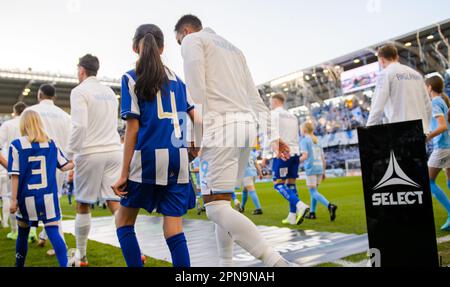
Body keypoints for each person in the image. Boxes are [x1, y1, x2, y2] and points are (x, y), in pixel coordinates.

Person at [176, 14, 294, 267]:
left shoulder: (192, 41)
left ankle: (275, 262)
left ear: (185, 31)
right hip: (244, 128)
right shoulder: (235, 49)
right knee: (223, 204)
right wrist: (273, 136)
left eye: (178, 41)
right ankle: (225, 265)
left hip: (220, 127)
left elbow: (195, 92)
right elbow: (254, 97)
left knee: (215, 208)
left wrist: (193, 139)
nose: (180, 47)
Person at [112, 24, 196, 267]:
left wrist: (123, 173)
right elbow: (197, 119)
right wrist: (196, 147)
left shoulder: (130, 77)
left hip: (147, 158)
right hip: (178, 158)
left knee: (124, 222)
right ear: (162, 48)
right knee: (173, 228)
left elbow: (133, 128)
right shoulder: (179, 82)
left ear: (134, 47)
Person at [67, 54, 123, 267]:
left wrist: (70, 155)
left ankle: (81, 256)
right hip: (113, 150)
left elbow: (80, 126)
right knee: (114, 202)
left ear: (81, 70)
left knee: (83, 205)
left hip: (91, 152)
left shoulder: (79, 91)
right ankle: (133, 249)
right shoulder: (109, 92)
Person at [8, 110, 74, 267]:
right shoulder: (51, 143)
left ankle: (19, 265)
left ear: (23, 124)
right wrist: (76, 160)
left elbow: (15, 176)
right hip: (48, 198)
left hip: (26, 198)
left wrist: (13, 200)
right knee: (53, 232)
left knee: (22, 234)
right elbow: (65, 166)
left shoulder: (16, 145)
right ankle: (64, 264)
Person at [26, 84, 71, 251]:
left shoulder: (30, 111)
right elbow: (69, 143)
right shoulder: (65, 116)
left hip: (35, 163)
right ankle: (44, 235)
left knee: (43, 204)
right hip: (59, 163)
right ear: (55, 97)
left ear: (39, 95)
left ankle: (61, 245)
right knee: (53, 201)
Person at [262, 94, 309, 225]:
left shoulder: (273, 114)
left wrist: (265, 155)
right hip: (295, 153)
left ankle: (300, 205)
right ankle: (292, 215)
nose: (270, 105)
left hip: (282, 154)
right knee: (291, 184)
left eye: (271, 102)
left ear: (275, 101)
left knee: (278, 184)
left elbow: (269, 135)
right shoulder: (293, 116)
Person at [367, 44, 431, 132]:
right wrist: (426, 127)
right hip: (420, 129)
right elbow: (427, 105)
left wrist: (368, 130)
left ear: (381, 60)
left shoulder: (385, 74)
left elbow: (377, 106)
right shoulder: (416, 74)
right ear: (397, 57)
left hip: (401, 130)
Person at [0, 102, 29, 241]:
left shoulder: (8, 125)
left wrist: (9, 166)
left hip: (13, 168)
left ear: (14, 111)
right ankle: (33, 231)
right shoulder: (30, 124)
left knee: (11, 198)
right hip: (31, 168)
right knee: (31, 199)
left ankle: (14, 230)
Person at [425, 75, 450, 231]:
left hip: (442, 147)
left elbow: (442, 127)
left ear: (429, 88)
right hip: (448, 145)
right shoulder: (443, 101)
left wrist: (428, 137)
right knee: (448, 178)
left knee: (428, 181)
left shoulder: (435, 102)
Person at [300, 122, 337, 221]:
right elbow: (323, 158)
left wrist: (294, 161)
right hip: (319, 168)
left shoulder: (304, 141)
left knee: (312, 192)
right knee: (314, 191)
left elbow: (305, 156)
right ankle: (312, 213)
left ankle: (330, 206)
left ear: (304, 130)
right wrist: (324, 172)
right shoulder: (317, 141)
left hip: (311, 168)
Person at [237, 148, 263, 215]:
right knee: (245, 190)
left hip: (246, 174)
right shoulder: (251, 152)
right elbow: (256, 164)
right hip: (253, 174)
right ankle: (242, 207)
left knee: (251, 191)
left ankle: (258, 208)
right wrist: (260, 173)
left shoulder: (239, 152)